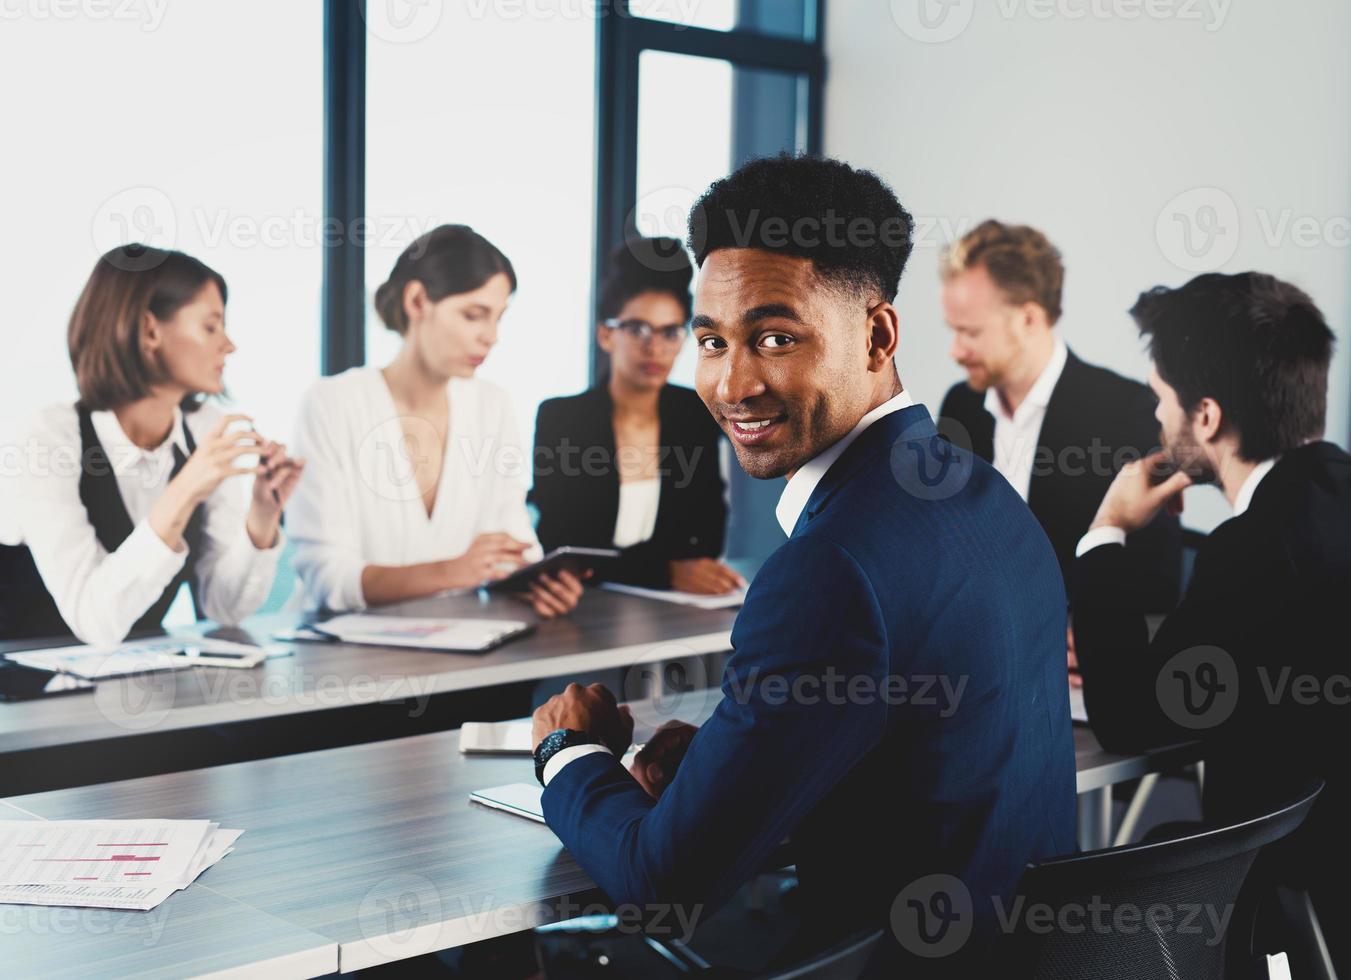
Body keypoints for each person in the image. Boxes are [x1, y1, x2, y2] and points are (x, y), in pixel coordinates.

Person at [530, 156, 1076, 975]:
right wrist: (726, 765)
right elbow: (916, 752)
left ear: (878, 335)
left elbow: (660, 886)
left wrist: (568, 754)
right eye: (712, 341)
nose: (732, 383)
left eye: (775, 338)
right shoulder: (987, 498)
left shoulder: (829, 567)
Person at [1069, 271, 1349, 968]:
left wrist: (1104, 533)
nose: (1157, 421)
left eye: (1161, 399)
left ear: (1205, 417)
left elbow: (1130, 719)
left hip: (1291, 905)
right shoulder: (1332, 493)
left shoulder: (1254, 549)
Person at [0, 245, 299, 646]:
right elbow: (95, 622)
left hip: (138, 685)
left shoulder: (204, 431)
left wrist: (263, 516)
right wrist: (184, 490)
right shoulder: (51, 436)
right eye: (211, 327)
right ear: (150, 330)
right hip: (28, 693)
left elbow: (224, 608)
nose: (229, 345)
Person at [288, 225, 582, 618]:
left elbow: (513, 544)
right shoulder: (331, 404)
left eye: (498, 318)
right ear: (417, 300)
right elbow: (326, 576)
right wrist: (452, 572)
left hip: (461, 643)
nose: (491, 336)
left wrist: (536, 580)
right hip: (344, 654)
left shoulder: (492, 405)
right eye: (473, 315)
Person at [938, 220, 1181, 613]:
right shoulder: (960, 406)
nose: (955, 351)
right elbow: (946, 549)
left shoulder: (1128, 411)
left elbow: (1158, 582)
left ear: (1029, 319)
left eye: (971, 333)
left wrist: (1087, 634)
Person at [531, 237, 739, 593]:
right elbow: (563, 548)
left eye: (670, 332)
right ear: (606, 334)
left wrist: (661, 568)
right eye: (637, 329)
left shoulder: (696, 414)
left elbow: (706, 539)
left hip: (673, 611)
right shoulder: (563, 419)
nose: (654, 347)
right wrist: (665, 571)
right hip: (582, 609)